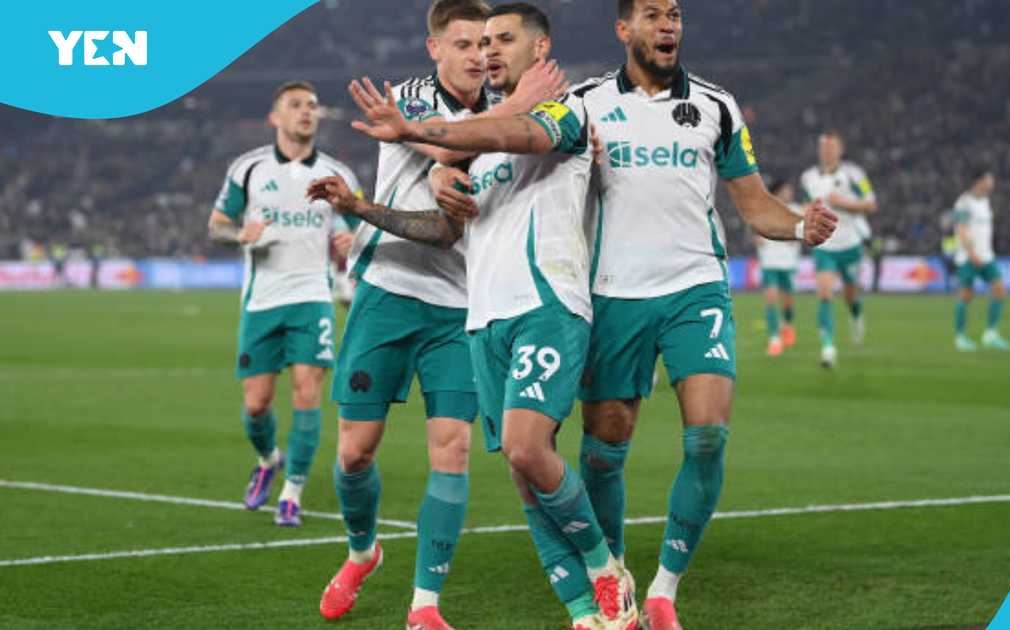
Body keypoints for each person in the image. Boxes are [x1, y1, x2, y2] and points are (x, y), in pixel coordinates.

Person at [310, 4, 638, 629]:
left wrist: (451, 141)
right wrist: (373, 197)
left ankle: (436, 605)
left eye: (495, 41)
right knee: (364, 453)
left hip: (516, 305)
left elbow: (514, 134)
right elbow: (446, 208)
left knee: (488, 449)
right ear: (435, 48)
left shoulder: (554, 112)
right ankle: (367, 553)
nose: (479, 54)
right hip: (430, 301)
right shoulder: (434, 115)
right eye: (469, 42)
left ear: (539, 50)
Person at [569, 2, 835, 627]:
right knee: (605, 447)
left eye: (676, 15)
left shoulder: (717, 105)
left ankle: (663, 589)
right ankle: (611, 573)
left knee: (709, 435)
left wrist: (800, 226)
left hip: (696, 289)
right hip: (613, 292)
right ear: (623, 29)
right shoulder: (583, 103)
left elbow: (754, 203)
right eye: (654, 15)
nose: (668, 26)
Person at [207, 80, 360, 527]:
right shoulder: (248, 169)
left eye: (312, 105)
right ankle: (268, 459)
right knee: (256, 404)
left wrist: (356, 238)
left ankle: (292, 492)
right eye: (295, 105)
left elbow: (365, 225)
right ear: (275, 117)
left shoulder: (338, 175)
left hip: (312, 297)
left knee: (308, 392)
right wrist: (238, 235)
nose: (306, 112)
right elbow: (216, 224)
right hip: (261, 300)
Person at [800, 130, 878, 368]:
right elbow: (806, 206)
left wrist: (843, 203)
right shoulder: (808, 177)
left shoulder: (855, 174)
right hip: (825, 245)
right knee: (824, 292)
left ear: (840, 150)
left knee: (850, 294)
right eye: (823, 147)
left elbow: (871, 204)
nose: (826, 151)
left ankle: (856, 315)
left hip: (850, 244)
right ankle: (828, 348)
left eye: (831, 148)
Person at [952, 170, 1010, 351]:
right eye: (988, 179)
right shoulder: (964, 202)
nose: (992, 183)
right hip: (968, 257)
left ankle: (990, 334)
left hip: (986, 255)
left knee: (1000, 290)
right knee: (966, 295)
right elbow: (961, 229)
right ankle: (960, 337)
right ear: (979, 181)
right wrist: (971, 253)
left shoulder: (986, 201)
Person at [755, 179, 802, 357]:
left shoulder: (797, 209)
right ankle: (774, 339)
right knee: (771, 299)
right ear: (777, 192)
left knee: (788, 302)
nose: (788, 193)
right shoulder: (765, 210)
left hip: (788, 263)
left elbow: (803, 233)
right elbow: (756, 233)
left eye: (790, 190)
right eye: (785, 190)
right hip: (769, 263)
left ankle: (787, 325)